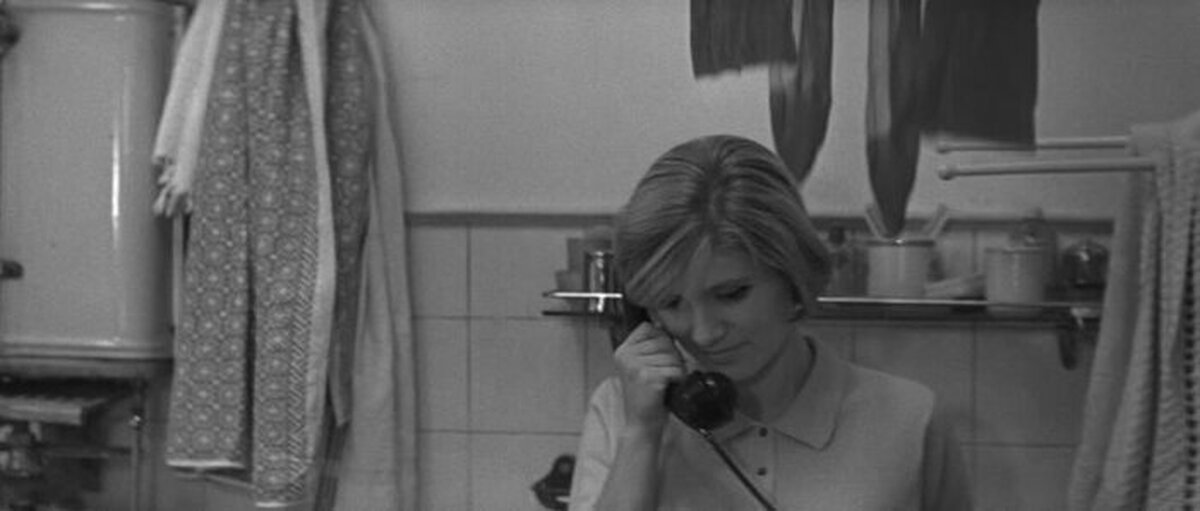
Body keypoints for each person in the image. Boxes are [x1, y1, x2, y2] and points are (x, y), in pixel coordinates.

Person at [567, 135, 972, 510]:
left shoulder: (911, 419)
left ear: (790, 276)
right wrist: (641, 435)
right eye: (672, 304)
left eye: (731, 294)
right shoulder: (621, 411)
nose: (704, 333)